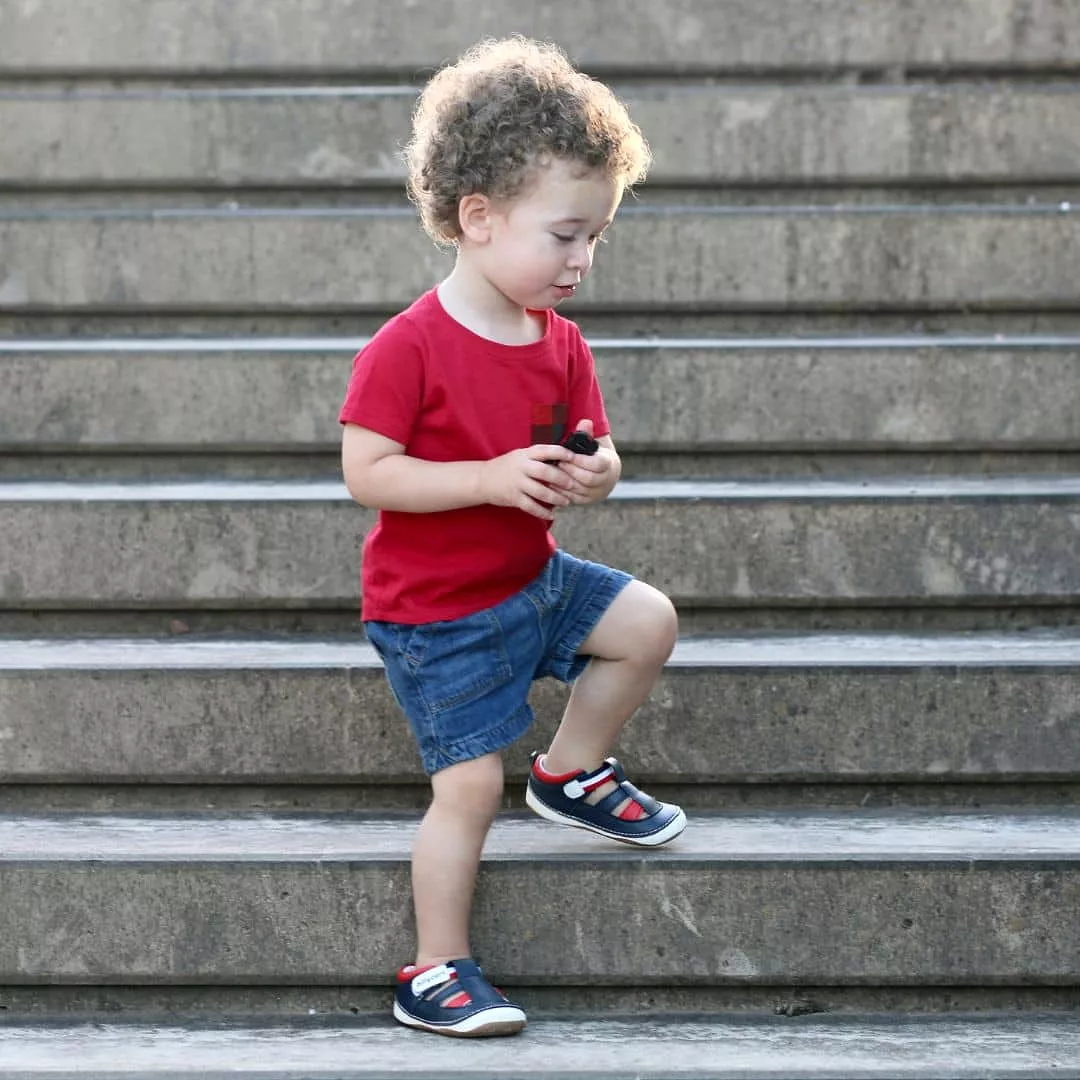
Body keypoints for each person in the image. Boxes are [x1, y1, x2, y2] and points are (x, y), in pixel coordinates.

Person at [339, 36, 685, 1038]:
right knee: (467, 786)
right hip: (438, 617)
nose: (583, 260)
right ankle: (436, 969)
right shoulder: (407, 348)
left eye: (597, 240)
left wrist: (599, 472)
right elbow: (370, 472)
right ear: (478, 219)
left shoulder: (558, 340)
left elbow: (597, 446)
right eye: (566, 235)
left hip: (533, 582)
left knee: (646, 622)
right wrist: (487, 478)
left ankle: (571, 770)